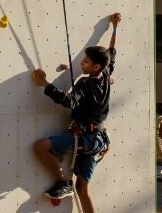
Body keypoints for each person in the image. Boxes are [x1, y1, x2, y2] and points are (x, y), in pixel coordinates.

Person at [32, 12, 121, 213]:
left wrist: (45, 84)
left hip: (86, 138)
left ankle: (63, 181)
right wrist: (114, 28)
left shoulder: (85, 83)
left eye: (86, 62)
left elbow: (69, 101)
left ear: (96, 66)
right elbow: (112, 51)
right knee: (83, 188)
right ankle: (69, 186)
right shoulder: (106, 74)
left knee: (40, 146)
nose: (82, 63)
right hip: (97, 140)